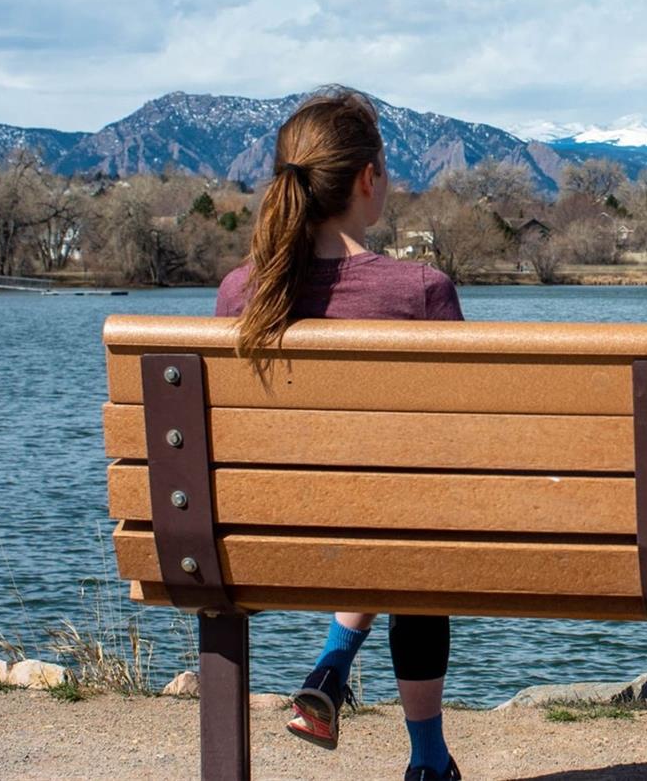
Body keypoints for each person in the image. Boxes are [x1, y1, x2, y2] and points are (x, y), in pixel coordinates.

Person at [214, 87, 462, 781]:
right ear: (366, 179)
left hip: (263, 532)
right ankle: (428, 759)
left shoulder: (242, 294)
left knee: (382, 500)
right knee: (413, 516)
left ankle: (333, 663)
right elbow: (464, 438)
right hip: (400, 526)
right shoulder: (420, 291)